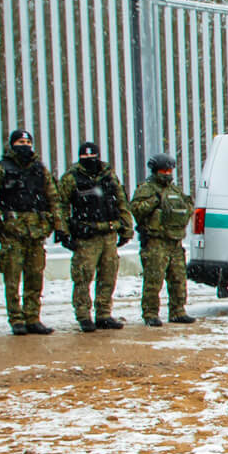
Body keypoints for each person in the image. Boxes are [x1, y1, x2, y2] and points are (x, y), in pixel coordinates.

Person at [0, 128, 62, 336]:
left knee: (35, 277)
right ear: (12, 145)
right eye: (19, 142)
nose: (24, 146)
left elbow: (53, 197)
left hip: (36, 232)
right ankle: (16, 319)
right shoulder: (0, 169)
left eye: (27, 142)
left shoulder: (39, 169)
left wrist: (59, 227)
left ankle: (33, 317)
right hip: (12, 233)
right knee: (12, 279)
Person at [56, 141, 133, 332]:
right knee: (83, 277)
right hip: (86, 235)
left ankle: (104, 314)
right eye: (85, 157)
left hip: (108, 232)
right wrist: (63, 233)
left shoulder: (109, 175)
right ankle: (83, 315)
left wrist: (126, 228)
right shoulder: (71, 178)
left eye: (93, 157)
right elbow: (61, 206)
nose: (90, 160)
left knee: (108, 276)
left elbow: (121, 201)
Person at [129, 153, 196, 327]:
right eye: (163, 170)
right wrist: (154, 202)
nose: (167, 173)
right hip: (155, 242)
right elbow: (136, 209)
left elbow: (188, 206)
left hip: (175, 242)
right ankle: (151, 313)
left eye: (169, 170)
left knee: (178, 279)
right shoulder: (146, 189)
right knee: (154, 279)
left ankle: (178, 311)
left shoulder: (175, 190)